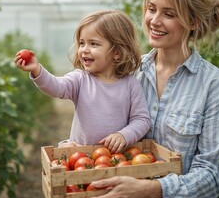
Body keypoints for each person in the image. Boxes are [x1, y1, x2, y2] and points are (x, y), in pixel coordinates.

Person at [89, 0, 219, 198]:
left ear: (193, 21)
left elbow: (212, 174)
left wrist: (153, 190)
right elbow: (99, 126)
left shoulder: (213, 84)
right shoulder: (128, 71)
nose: (154, 21)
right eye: (151, 9)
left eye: (169, 14)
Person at [14, 10, 151, 153]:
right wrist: (37, 70)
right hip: (80, 157)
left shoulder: (130, 85)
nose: (84, 50)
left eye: (93, 44)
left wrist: (124, 135)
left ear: (117, 52)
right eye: (81, 43)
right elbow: (57, 87)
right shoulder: (80, 79)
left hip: (114, 160)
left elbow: (142, 119)